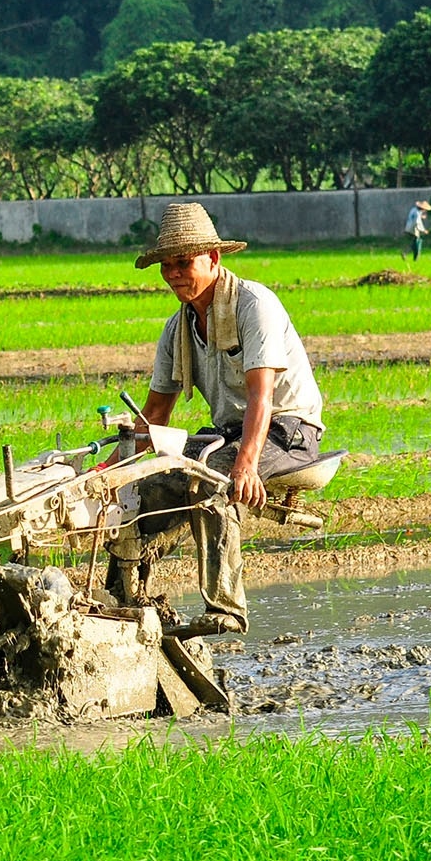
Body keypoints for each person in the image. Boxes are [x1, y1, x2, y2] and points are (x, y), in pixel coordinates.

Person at [116, 202, 327, 637]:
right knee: (144, 491)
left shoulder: (254, 305)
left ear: (212, 259)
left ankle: (226, 607)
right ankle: (123, 598)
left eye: (183, 263)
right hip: (227, 434)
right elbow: (154, 415)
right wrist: (111, 472)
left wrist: (245, 465)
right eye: (166, 265)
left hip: (287, 430)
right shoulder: (177, 329)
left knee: (208, 479)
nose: (174, 273)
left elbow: (261, 395)